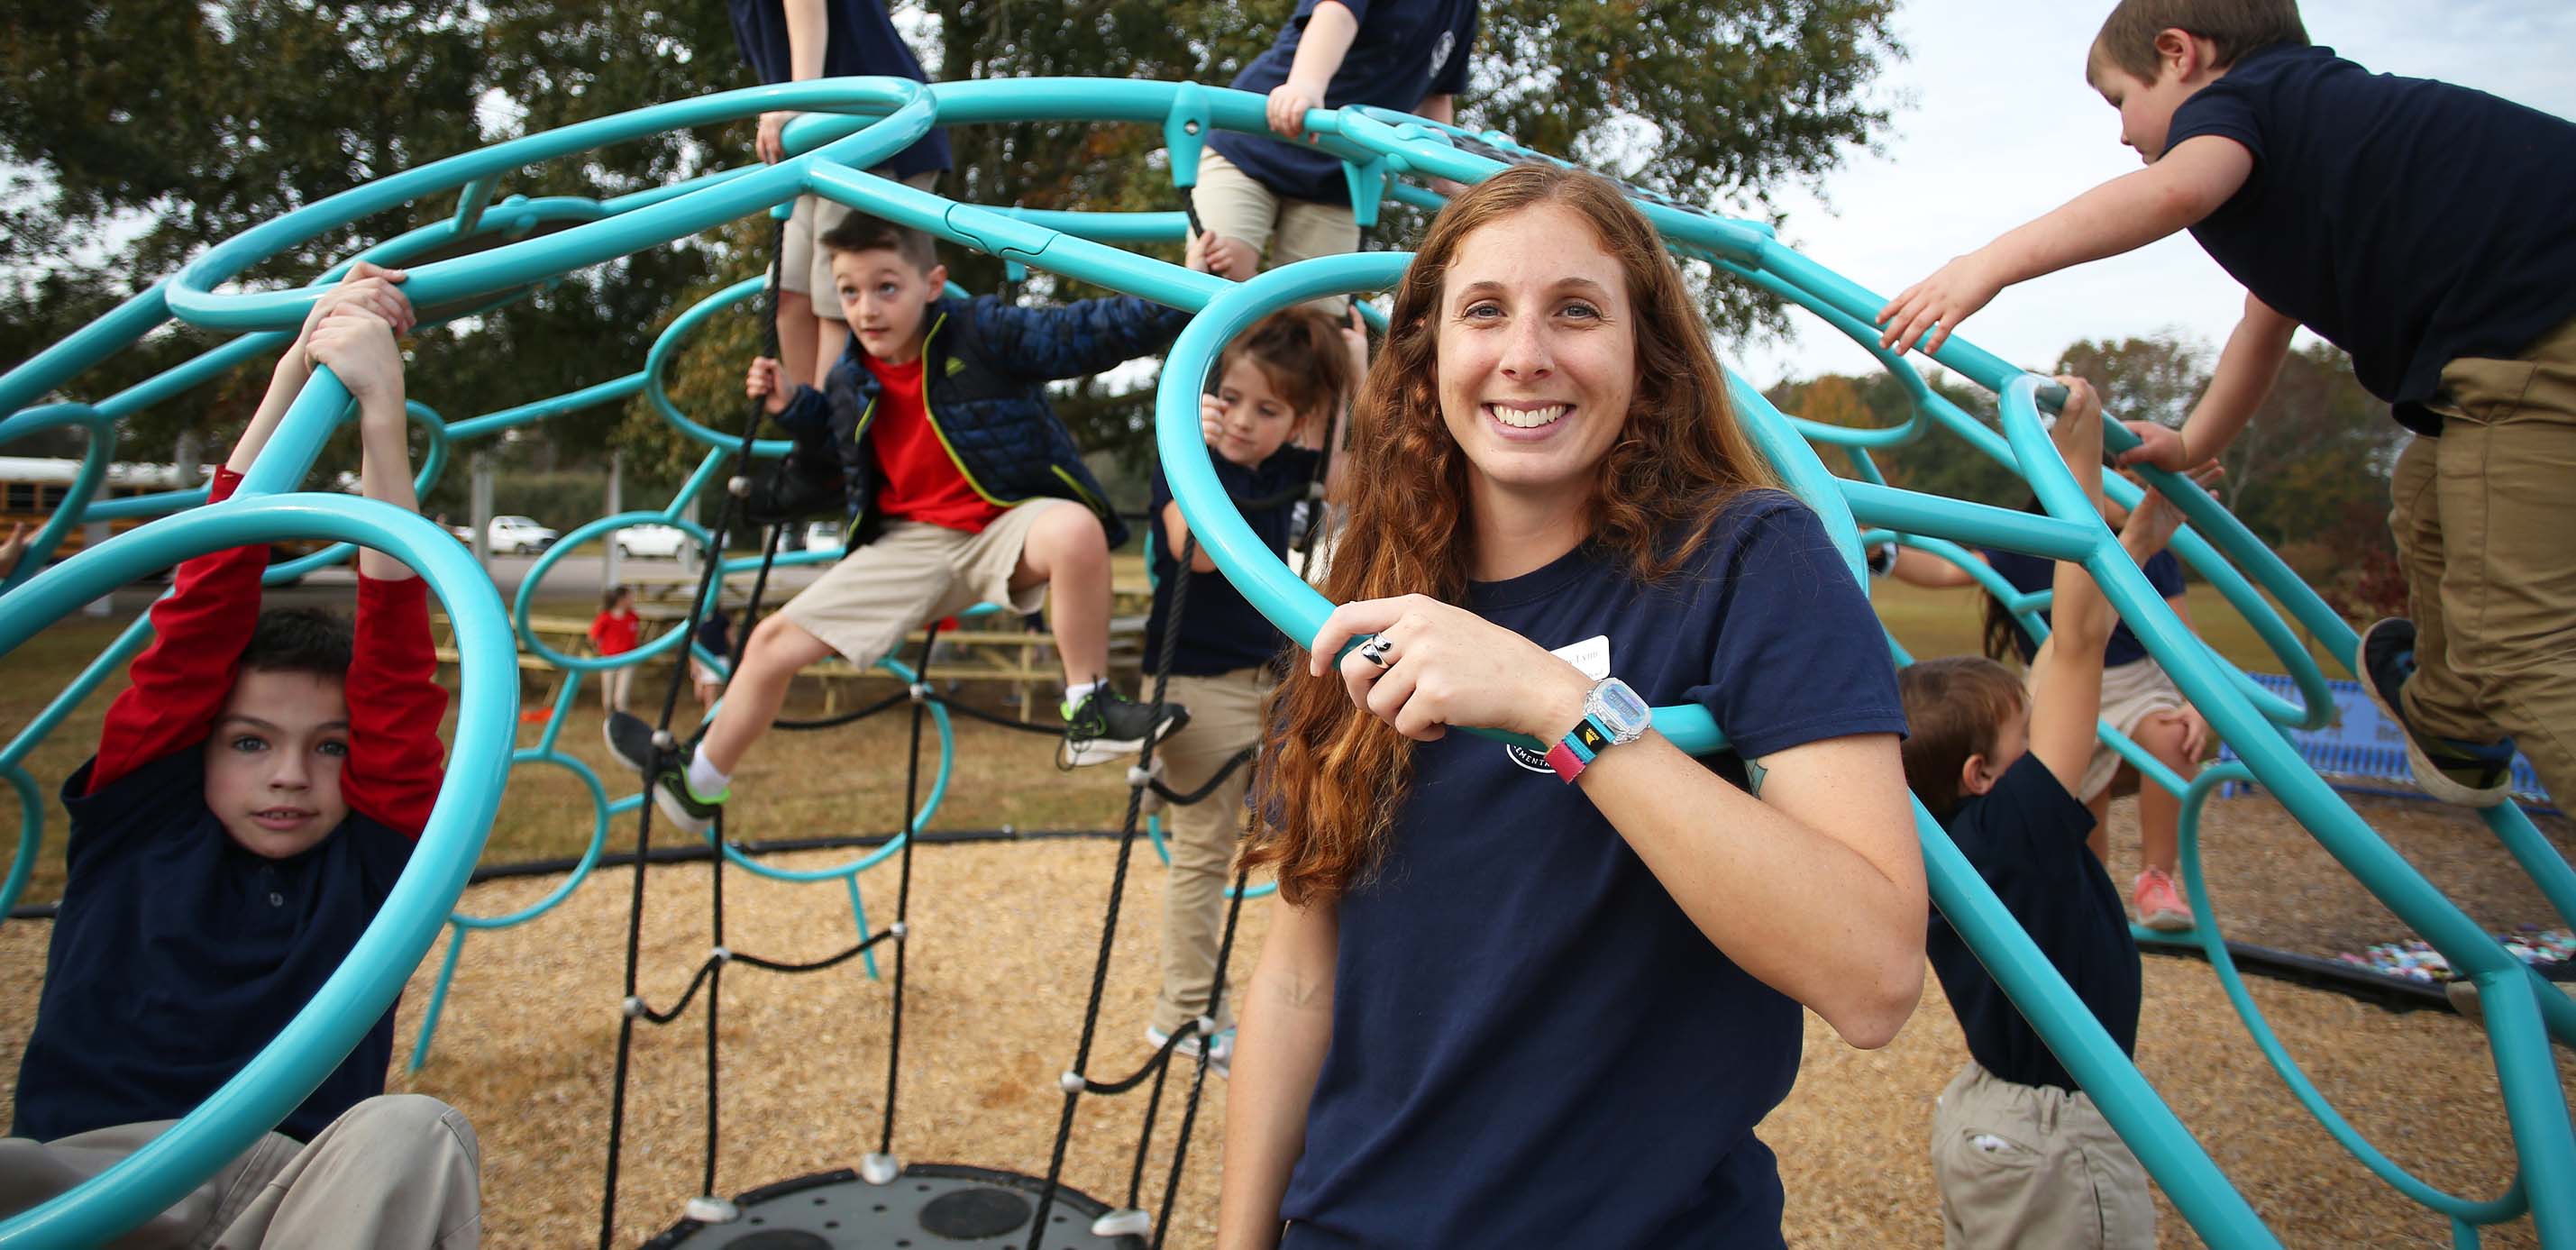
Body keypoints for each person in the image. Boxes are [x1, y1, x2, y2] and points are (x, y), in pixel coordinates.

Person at [1218, 165, 1923, 1248]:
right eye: (1484, 311)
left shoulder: (1748, 562)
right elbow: (1299, 981)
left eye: (1576, 311)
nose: (1524, 354)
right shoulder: (1366, 600)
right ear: (1428, 359)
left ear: (1646, 359)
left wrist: (1556, 702)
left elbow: (1870, 976)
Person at [1875, 0, 2576, 810]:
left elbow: (2175, 192)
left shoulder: (2236, 106)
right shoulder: (2317, 140)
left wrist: (1987, 264)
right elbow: (2262, 322)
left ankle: (2470, 700)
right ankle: (2452, 719)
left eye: (2117, 100)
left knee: (2520, 642)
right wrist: (2193, 439)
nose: (2123, 133)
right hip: (2500, 358)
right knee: (2425, 507)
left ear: (2180, 55)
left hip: (2530, 346)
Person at [0, 264, 481, 1248]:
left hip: (292, 1195)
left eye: (328, 747)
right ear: (196, 748)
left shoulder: (372, 866)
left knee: (416, 1132)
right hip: (91, 1175)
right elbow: (203, 601)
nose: (291, 775)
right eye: (250, 742)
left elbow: (395, 664)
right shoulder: (144, 821)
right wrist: (295, 373)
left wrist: (384, 415)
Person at [606, 215, 1212, 833]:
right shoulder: (848, 376)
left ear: (932, 284)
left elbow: (1083, 332)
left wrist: (1182, 292)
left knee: (1075, 529)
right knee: (768, 644)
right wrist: (793, 405)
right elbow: (834, 444)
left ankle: (1089, 709)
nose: (867, 309)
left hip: (1005, 522)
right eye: (850, 292)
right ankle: (700, 780)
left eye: (886, 287)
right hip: (912, 541)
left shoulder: (980, 331)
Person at [1899, 378, 2182, 1250]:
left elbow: (2071, 639)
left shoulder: (1939, 836)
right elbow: (2073, 642)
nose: (2046, 737)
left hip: (1989, 1114)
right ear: (1984, 772)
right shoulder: (2014, 828)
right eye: (2024, 733)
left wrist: (2138, 534)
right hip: (2054, 1137)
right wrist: (2077, 460)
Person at [1140, 306, 1362, 1077]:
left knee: (1315, 829)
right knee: (1205, 851)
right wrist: (1211, 455)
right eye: (1230, 398)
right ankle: (1184, 1016)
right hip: (1195, 685)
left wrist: (1354, 372)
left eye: (1266, 410)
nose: (1240, 420)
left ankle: (1306, 999)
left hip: (1268, 689)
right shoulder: (1189, 455)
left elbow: (1356, 480)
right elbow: (1195, 554)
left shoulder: (1287, 472)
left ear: (1298, 420)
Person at [1881, 475, 2216, 931]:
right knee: (2072, 819)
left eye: (2145, 486)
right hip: (2056, 678)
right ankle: (2081, 911)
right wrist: (1887, 552)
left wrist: (2198, 702)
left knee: (2173, 740)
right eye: (2126, 483)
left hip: (2133, 682)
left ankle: (2156, 879)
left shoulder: (2154, 556)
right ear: (2084, 486)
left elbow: (2184, 637)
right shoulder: (2031, 543)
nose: (2140, 497)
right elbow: (1947, 570)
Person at [728, 0, 953, 391]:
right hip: (813, 145)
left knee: (841, 297)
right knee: (787, 293)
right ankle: (812, 429)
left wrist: (793, 105)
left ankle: (836, 436)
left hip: (875, 134)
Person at [1192, 0, 1482, 297]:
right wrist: (1306, 86)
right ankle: (1148, 327)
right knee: (1221, 275)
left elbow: (1438, 90)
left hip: (1339, 176)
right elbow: (1336, 14)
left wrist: (1444, 169)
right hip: (1257, 142)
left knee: (1320, 324)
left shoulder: (1462, 7)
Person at [589, 583, 642, 715]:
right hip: (609, 660)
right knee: (608, 697)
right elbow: (592, 637)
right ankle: (610, 720)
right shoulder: (605, 618)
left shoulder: (632, 617)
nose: (632, 600)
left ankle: (623, 721)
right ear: (620, 600)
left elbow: (635, 635)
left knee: (621, 697)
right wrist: (599, 650)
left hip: (628, 659)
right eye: (630, 598)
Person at [693, 606, 736, 708]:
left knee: (712, 695)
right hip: (703, 659)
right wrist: (694, 665)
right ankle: (712, 720)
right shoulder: (698, 617)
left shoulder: (722, 618)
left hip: (718, 660)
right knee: (700, 695)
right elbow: (692, 643)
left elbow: (732, 640)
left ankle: (711, 723)